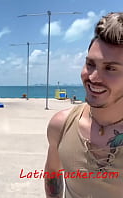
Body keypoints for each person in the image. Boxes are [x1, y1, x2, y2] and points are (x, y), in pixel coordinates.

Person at [44, 12, 123, 198]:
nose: (93, 77)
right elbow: (53, 173)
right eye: (90, 64)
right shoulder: (61, 125)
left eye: (110, 68)